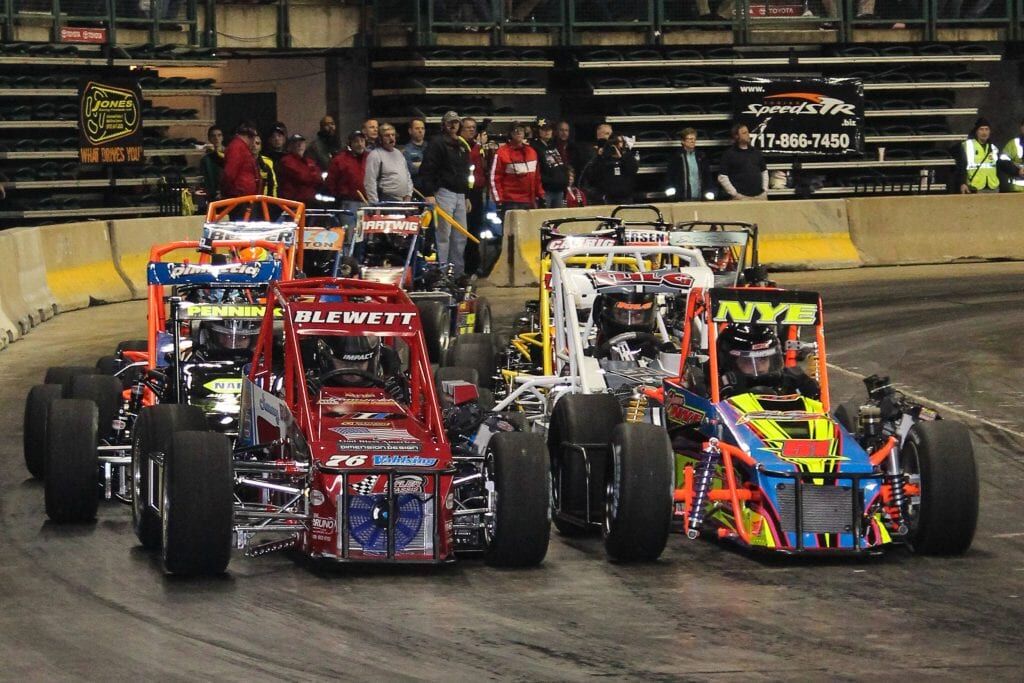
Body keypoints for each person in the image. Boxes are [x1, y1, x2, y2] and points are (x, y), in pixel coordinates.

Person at [418, 110, 472, 278]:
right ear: (444, 125)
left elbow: (466, 172)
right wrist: (429, 193)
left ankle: (457, 272)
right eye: (450, 122)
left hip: (460, 195)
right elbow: (427, 169)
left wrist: (467, 195)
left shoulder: (462, 144)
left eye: (456, 122)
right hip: (444, 193)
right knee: (443, 235)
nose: (453, 125)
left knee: (460, 235)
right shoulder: (436, 143)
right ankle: (441, 273)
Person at [716, 324, 819, 399]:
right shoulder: (716, 388)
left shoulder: (792, 381)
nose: (759, 367)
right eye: (748, 361)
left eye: (762, 359)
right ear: (731, 363)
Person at [491, 122, 544, 220]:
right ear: (510, 133)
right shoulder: (502, 153)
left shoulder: (531, 152)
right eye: (516, 130)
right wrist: (499, 201)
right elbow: (495, 178)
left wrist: (540, 195)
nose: (519, 133)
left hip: (530, 201)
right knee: (511, 233)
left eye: (521, 130)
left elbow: (537, 177)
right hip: (510, 202)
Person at [461, 117, 487, 276]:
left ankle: (474, 265)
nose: (471, 130)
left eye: (473, 127)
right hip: (465, 194)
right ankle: (464, 267)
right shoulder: (461, 146)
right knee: (465, 231)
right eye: (468, 127)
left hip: (478, 193)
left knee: (476, 230)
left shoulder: (479, 148)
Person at [364, 123, 413, 203]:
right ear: (380, 138)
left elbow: (407, 176)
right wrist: (375, 205)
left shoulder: (398, 153)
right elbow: (370, 182)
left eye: (393, 135)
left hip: (403, 200)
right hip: (386, 200)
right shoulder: (375, 155)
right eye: (387, 135)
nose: (391, 138)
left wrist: (409, 194)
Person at [717, 123, 767, 201]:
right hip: (741, 198)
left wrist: (764, 190)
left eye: (747, 132)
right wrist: (735, 194)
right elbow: (722, 177)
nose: (748, 135)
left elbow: (764, 172)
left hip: (759, 196)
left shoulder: (756, 152)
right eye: (744, 133)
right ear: (736, 136)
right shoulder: (729, 154)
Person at [531, 117, 569, 209]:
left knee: (558, 217)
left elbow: (562, 165)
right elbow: (536, 170)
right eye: (544, 130)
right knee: (544, 217)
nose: (547, 132)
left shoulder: (555, 145)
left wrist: (565, 180)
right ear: (538, 131)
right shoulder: (534, 148)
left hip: (559, 189)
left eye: (549, 129)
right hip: (546, 190)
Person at [954, 117, 999, 194]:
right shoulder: (967, 145)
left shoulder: (994, 148)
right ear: (976, 132)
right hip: (974, 187)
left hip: (993, 187)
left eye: (986, 129)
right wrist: (962, 183)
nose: (984, 132)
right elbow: (961, 166)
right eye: (981, 129)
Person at [666, 127, 713, 201]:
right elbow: (670, 177)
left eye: (694, 139)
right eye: (690, 139)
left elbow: (707, 176)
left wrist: (709, 192)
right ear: (683, 141)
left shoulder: (701, 157)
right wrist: (673, 196)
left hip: (700, 198)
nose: (693, 141)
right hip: (681, 198)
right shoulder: (676, 157)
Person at [327, 130, 369, 210]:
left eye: (362, 141)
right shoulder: (339, 160)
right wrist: (339, 196)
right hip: (347, 203)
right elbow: (331, 181)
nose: (360, 144)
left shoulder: (371, 158)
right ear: (350, 144)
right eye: (356, 141)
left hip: (367, 202)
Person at [592, 134, 639, 205]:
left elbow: (633, 169)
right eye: (615, 143)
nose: (617, 145)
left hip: (626, 198)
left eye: (620, 142)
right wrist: (599, 157)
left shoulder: (628, 156)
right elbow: (595, 175)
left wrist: (621, 157)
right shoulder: (605, 159)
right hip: (608, 198)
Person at [279, 134, 323, 206]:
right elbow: (302, 176)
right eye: (296, 143)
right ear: (290, 146)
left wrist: (312, 176)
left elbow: (319, 179)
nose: (300, 145)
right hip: (294, 202)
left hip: (310, 200)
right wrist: (313, 175)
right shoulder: (287, 161)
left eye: (302, 143)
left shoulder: (310, 161)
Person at [220, 122, 260, 200]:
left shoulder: (240, 147)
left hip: (243, 196)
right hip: (239, 196)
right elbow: (229, 173)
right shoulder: (237, 148)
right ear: (250, 136)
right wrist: (225, 192)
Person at [998, 118, 1024, 192]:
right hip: (1016, 190)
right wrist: (1017, 170)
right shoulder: (1013, 144)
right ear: (1021, 128)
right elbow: (1003, 162)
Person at [199, 125, 224, 201]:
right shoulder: (206, 159)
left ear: (222, 137)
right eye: (213, 136)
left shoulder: (230, 154)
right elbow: (206, 179)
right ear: (209, 139)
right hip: (213, 196)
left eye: (219, 135)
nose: (216, 138)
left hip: (227, 194)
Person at [403, 116, 428, 191]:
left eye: (422, 128)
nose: (420, 131)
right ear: (410, 131)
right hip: (416, 189)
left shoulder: (432, 147)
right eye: (417, 128)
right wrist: (429, 166)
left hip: (433, 189)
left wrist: (419, 164)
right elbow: (411, 170)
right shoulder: (406, 151)